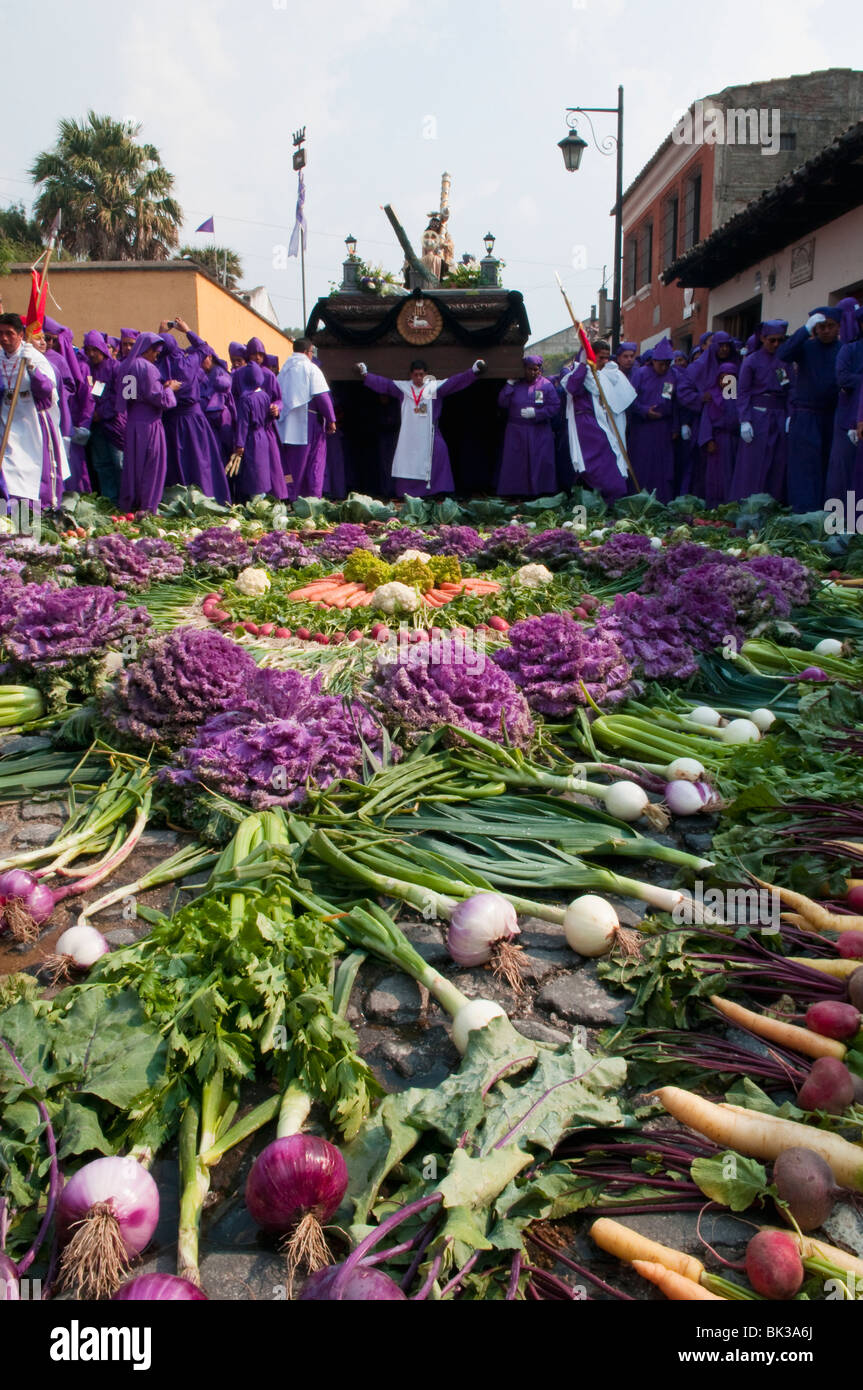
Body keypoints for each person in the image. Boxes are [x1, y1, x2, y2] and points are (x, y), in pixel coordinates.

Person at [356, 357, 485, 497]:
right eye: (416, 374)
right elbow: (384, 384)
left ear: (426, 374)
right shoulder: (403, 388)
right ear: (410, 375)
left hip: (430, 434)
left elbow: (455, 382)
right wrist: (366, 375)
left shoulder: (434, 388)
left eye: (421, 374)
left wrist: (473, 371)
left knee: (440, 451)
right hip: (409, 436)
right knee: (408, 462)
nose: (418, 378)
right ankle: (409, 494)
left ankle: (438, 492)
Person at [157, 319, 231, 502]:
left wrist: (161, 334)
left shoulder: (157, 367)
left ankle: (177, 501)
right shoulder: (188, 363)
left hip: (169, 421)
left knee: (176, 462)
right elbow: (205, 348)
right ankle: (208, 498)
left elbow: (155, 351)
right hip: (194, 420)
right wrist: (187, 330)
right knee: (200, 460)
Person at [0, 313, 69, 507]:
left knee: (31, 472)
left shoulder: (34, 358)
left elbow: (47, 391)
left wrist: (32, 369)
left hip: (31, 422)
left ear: (21, 335)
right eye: (1, 333)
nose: (4, 338)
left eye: (9, 333)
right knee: (9, 472)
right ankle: (10, 518)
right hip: (6, 422)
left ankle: (32, 518)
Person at [777, 308, 841, 511]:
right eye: (821, 326)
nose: (826, 330)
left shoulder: (844, 349)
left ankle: (826, 512)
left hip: (832, 415)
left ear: (839, 327)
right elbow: (783, 354)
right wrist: (804, 330)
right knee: (804, 466)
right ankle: (803, 512)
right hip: (806, 414)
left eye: (830, 326)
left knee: (828, 466)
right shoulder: (806, 347)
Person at [561, 341, 635, 502]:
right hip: (586, 426)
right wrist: (583, 365)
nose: (605, 361)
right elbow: (572, 387)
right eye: (601, 358)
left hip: (604, 423)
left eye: (607, 357)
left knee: (611, 460)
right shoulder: (580, 374)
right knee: (593, 465)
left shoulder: (603, 375)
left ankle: (609, 497)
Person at [119, 331, 179, 513]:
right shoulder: (149, 368)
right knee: (152, 466)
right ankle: (147, 506)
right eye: (155, 352)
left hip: (133, 422)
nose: (156, 356)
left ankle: (131, 503)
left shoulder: (127, 365)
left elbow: (129, 396)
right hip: (149, 422)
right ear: (147, 349)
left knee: (133, 465)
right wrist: (170, 389)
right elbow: (161, 400)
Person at [731, 319, 790, 502]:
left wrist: (790, 415)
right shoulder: (751, 361)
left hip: (779, 416)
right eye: (772, 340)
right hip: (758, 417)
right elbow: (743, 392)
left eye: (780, 340)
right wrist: (745, 419)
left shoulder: (785, 360)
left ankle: (772, 505)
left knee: (777, 463)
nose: (776, 344)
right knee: (754, 464)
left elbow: (791, 390)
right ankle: (748, 504)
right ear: (763, 338)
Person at [276, 340, 335, 499]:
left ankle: (289, 497)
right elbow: (322, 396)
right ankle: (311, 498)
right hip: (307, 424)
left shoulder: (284, 370)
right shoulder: (310, 368)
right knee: (314, 463)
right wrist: (331, 419)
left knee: (290, 466)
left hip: (285, 426)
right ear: (307, 352)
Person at [496, 355, 561, 497]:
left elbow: (555, 406)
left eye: (536, 369)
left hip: (539, 431)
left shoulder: (546, 385)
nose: (532, 372)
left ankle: (541, 492)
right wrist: (509, 384)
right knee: (517, 462)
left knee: (540, 461)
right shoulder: (516, 384)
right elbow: (502, 403)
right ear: (524, 369)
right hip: (516, 431)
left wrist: (537, 413)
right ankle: (515, 493)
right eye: (529, 369)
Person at [43, 315, 91, 493]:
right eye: (45, 338)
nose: (48, 343)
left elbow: (73, 387)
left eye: (52, 339)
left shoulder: (58, 359)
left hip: (61, 414)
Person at [626, 338, 678, 501]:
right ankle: (638, 499)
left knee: (662, 468)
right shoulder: (640, 374)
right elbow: (629, 400)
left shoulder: (671, 376)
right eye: (661, 364)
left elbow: (673, 402)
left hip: (663, 429)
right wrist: (644, 411)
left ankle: (661, 501)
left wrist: (675, 426)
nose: (664, 368)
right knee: (642, 465)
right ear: (653, 361)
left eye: (667, 364)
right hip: (643, 429)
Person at [230, 362, 287, 501]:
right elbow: (269, 418)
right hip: (263, 436)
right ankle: (262, 499)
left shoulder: (245, 399)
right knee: (262, 469)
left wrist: (239, 444)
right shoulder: (265, 396)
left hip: (251, 438)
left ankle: (256, 502)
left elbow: (243, 424)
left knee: (253, 471)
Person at [83, 330, 126, 501]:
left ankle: (125, 502)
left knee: (119, 464)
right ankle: (110, 501)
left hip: (115, 424)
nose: (91, 354)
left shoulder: (117, 368)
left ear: (102, 348)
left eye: (95, 349)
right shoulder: (87, 369)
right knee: (101, 464)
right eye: (88, 350)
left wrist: (101, 413)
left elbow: (121, 397)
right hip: (96, 426)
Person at [826, 303, 863, 498]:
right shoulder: (849, 350)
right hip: (848, 416)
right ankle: (839, 514)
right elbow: (843, 378)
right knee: (843, 471)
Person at [694, 362, 740, 508]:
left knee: (734, 473)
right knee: (716, 476)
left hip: (735, 441)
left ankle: (732, 505)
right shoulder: (712, 397)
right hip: (717, 442)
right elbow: (706, 420)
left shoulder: (739, 397)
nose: (726, 382)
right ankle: (715, 506)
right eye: (722, 378)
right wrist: (708, 439)